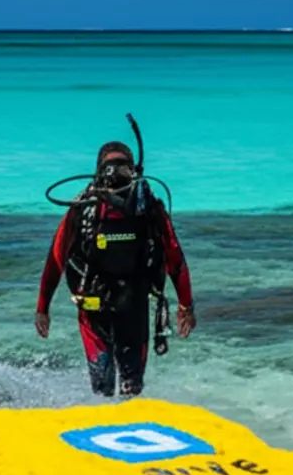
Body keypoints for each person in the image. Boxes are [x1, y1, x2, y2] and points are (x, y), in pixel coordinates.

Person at [34, 140, 196, 397]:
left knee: (106, 390)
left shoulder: (88, 208)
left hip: (119, 306)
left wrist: (43, 308)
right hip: (106, 308)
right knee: (126, 389)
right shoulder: (102, 210)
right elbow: (175, 261)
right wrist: (186, 305)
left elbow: (55, 260)